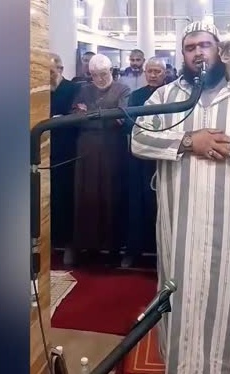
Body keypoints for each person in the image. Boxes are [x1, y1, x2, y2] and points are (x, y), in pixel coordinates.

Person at [131, 21, 230, 374]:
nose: (198, 52)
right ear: (183, 55)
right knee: (179, 300)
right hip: (180, 228)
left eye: (205, 45)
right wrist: (190, 142)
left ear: (220, 50)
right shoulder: (166, 97)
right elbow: (139, 140)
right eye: (190, 47)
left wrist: (228, 146)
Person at [66, 54, 131, 266]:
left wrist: (91, 113)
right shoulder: (83, 89)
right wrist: (102, 115)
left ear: (111, 71)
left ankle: (112, 247)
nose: (100, 79)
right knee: (86, 197)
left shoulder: (123, 90)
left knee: (111, 196)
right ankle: (88, 246)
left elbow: (120, 118)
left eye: (104, 74)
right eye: (95, 75)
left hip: (113, 151)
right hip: (86, 150)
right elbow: (75, 114)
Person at [122, 57, 168, 268]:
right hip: (139, 158)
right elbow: (129, 125)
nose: (153, 75)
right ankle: (134, 250)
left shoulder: (172, 95)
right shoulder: (136, 96)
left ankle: (164, 252)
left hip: (164, 157)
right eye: (150, 71)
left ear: (164, 73)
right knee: (136, 204)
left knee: (162, 205)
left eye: (157, 71)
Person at [49, 53, 80, 252]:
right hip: (43, 152)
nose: (47, 76)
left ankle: (68, 242)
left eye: (50, 71)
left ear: (60, 70)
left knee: (65, 196)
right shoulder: (37, 90)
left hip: (66, 150)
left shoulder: (73, 89)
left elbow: (75, 116)